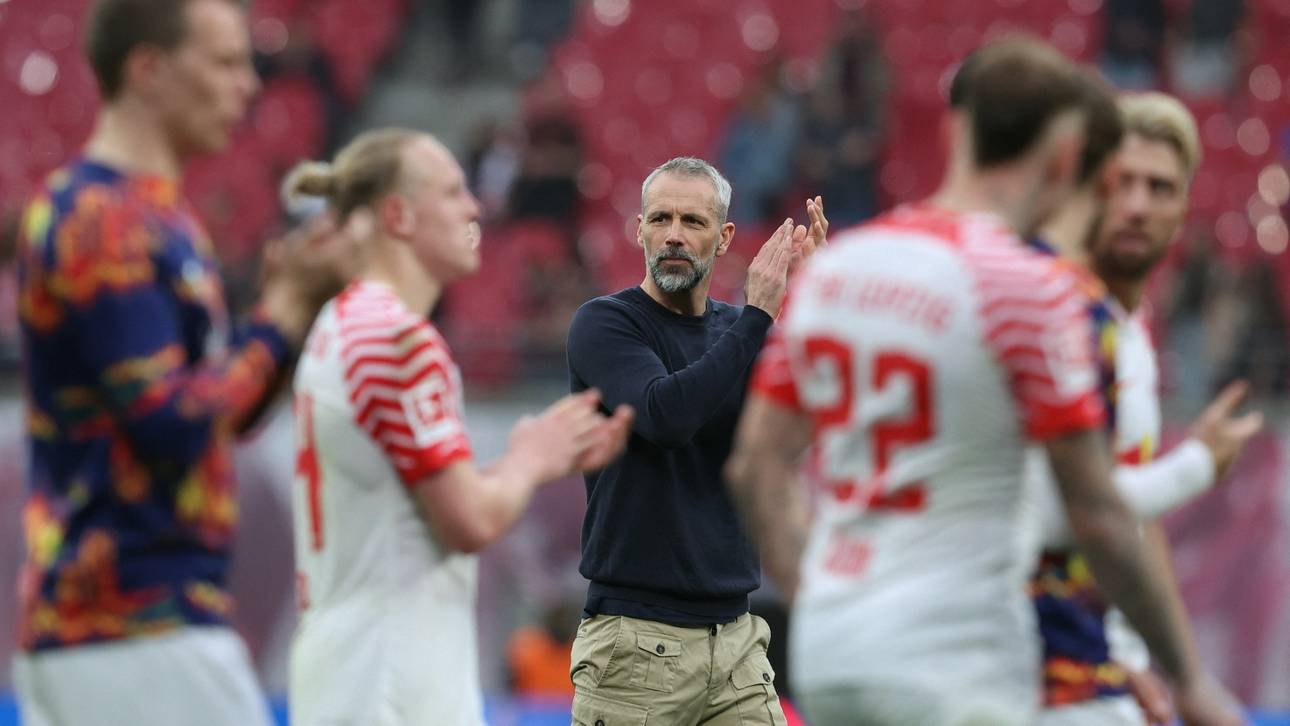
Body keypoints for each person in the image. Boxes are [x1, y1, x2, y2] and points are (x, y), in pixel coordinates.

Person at [725, 38, 1236, 726]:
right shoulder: (1028, 289)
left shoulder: (840, 267)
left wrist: (816, 599)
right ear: (1066, 160)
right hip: (957, 660)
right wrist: (1190, 679)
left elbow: (756, 467)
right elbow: (1093, 510)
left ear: (953, 131)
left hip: (831, 652)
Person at [12, 0, 355, 724]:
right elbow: (169, 420)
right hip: (127, 622)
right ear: (149, 70)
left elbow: (216, 419)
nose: (249, 87)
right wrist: (280, 314)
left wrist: (287, 325)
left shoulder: (161, 217)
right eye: (226, 62)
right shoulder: (98, 217)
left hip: (144, 622)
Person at [283, 128, 634, 726]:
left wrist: (539, 454)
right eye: (452, 193)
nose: (473, 208)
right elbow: (468, 520)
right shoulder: (397, 340)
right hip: (391, 681)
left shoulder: (342, 324)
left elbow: (423, 506)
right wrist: (529, 458)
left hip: (350, 668)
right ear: (399, 215)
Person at [563, 156, 826, 725]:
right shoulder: (605, 324)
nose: (673, 236)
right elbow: (665, 415)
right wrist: (760, 317)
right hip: (633, 645)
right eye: (659, 219)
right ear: (637, 229)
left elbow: (805, 428)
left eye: (693, 222)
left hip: (736, 643)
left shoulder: (742, 330)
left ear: (725, 236)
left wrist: (821, 306)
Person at [1031, 92, 1259, 726]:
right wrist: (1194, 467)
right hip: (1039, 670)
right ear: (1092, 188)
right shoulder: (1058, 316)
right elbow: (1059, 508)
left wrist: (1182, 674)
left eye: (1159, 187)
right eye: (1122, 182)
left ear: (1186, 206)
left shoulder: (1130, 335)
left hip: (1101, 664)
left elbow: (1133, 521)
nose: (1136, 204)